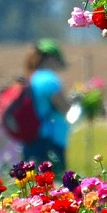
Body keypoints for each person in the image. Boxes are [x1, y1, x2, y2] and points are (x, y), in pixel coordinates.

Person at [23, 38, 72, 175]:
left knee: (33, 187)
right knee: (55, 186)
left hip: (31, 138)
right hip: (49, 140)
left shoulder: (31, 77)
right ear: (50, 58)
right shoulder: (49, 79)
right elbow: (64, 108)